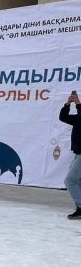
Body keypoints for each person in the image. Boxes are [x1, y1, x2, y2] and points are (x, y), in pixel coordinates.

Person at [59, 91, 81, 219]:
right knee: (76, 180)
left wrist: (78, 103)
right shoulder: (78, 118)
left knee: (70, 180)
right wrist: (68, 103)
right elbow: (63, 117)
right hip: (78, 154)